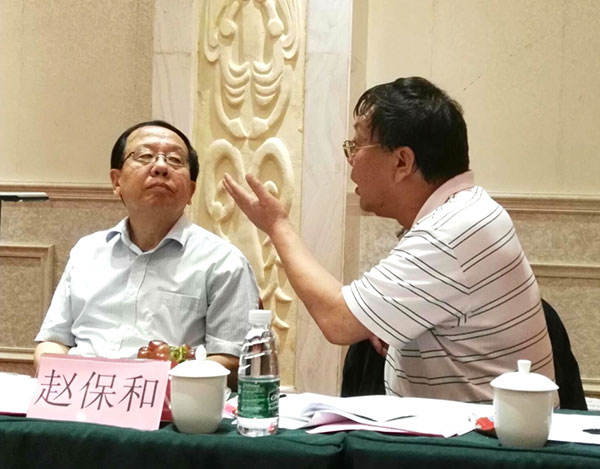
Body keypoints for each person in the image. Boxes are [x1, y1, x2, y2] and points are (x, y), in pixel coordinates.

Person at [223, 77, 555, 403]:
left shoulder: (451, 231)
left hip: (478, 435)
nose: (350, 160)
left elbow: (338, 320)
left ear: (401, 162)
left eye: (356, 146)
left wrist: (277, 226)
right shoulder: (468, 210)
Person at [34, 120, 259, 389]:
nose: (161, 167)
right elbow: (53, 341)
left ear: (191, 191)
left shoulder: (223, 262)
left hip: (171, 406)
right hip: (81, 398)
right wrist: (60, 381)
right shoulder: (87, 252)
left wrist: (153, 386)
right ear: (116, 181)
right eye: (145, 156)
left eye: (175, 160)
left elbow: (232, 359)